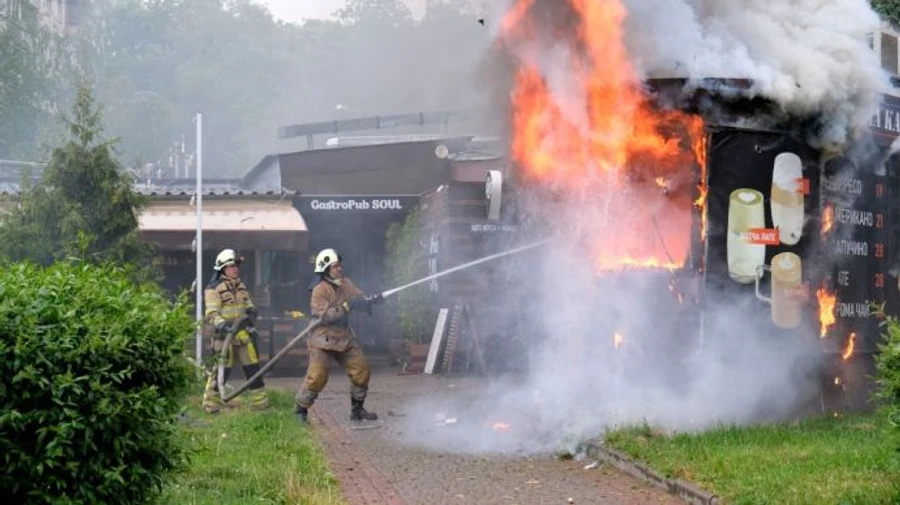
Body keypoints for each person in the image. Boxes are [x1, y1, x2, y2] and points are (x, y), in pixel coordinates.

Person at [295, 248, 383, 423]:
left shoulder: (346, 284)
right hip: (322, 339)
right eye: (335, 266)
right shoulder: (319, 290)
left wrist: (369, 300)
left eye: (339, 266)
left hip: (344, 338)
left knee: (361, 370)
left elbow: (358, 297)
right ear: (325, 269)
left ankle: (357, 410)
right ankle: (300, 410)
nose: (339, 269)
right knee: (317, 377)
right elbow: (326, 316)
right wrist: (348, 306)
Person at [202, 249, 269, 414]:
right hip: (223, 337)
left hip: (242, 334)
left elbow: (247, 304)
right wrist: (223, 325)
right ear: (222, 268)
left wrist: (252, 310)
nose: (235, 269)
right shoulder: (213, 289)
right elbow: (211, 313)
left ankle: (260, 405)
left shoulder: (240, 285)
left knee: (253, 368)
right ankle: (211, 406)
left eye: (236, 266)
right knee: (221, 373)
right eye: (231, 266)